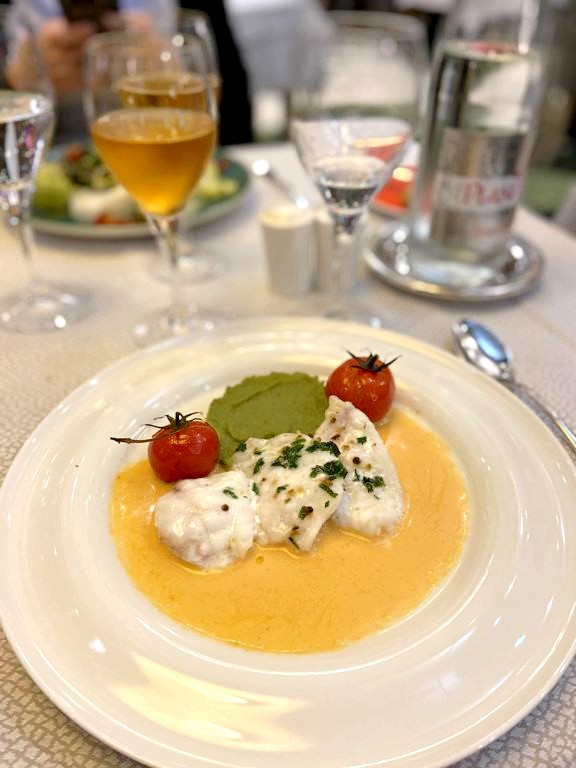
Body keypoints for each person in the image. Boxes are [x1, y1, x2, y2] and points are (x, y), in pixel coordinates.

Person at [3, 0, 252, 145]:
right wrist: (15, 85)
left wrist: (172, 71)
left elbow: (232, 99)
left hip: (168, 154)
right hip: (44, 177)